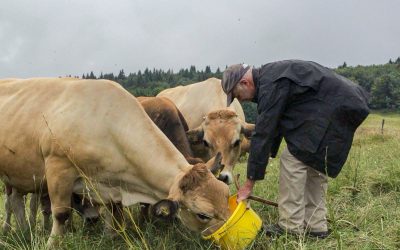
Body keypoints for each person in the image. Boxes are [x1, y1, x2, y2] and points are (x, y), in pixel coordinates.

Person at [221, 60, 369, 238]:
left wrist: (249, 183)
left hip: (335, 106)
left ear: (245, 83)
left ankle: (290, 227)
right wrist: (267, 153)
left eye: (238, 95)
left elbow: (265, 132)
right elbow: (275, 126)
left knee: (293, 159)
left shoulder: (271, 84)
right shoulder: (271, 78)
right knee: (314, 164)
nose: (241, 101)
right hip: (345, 103)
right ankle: (316, 226)